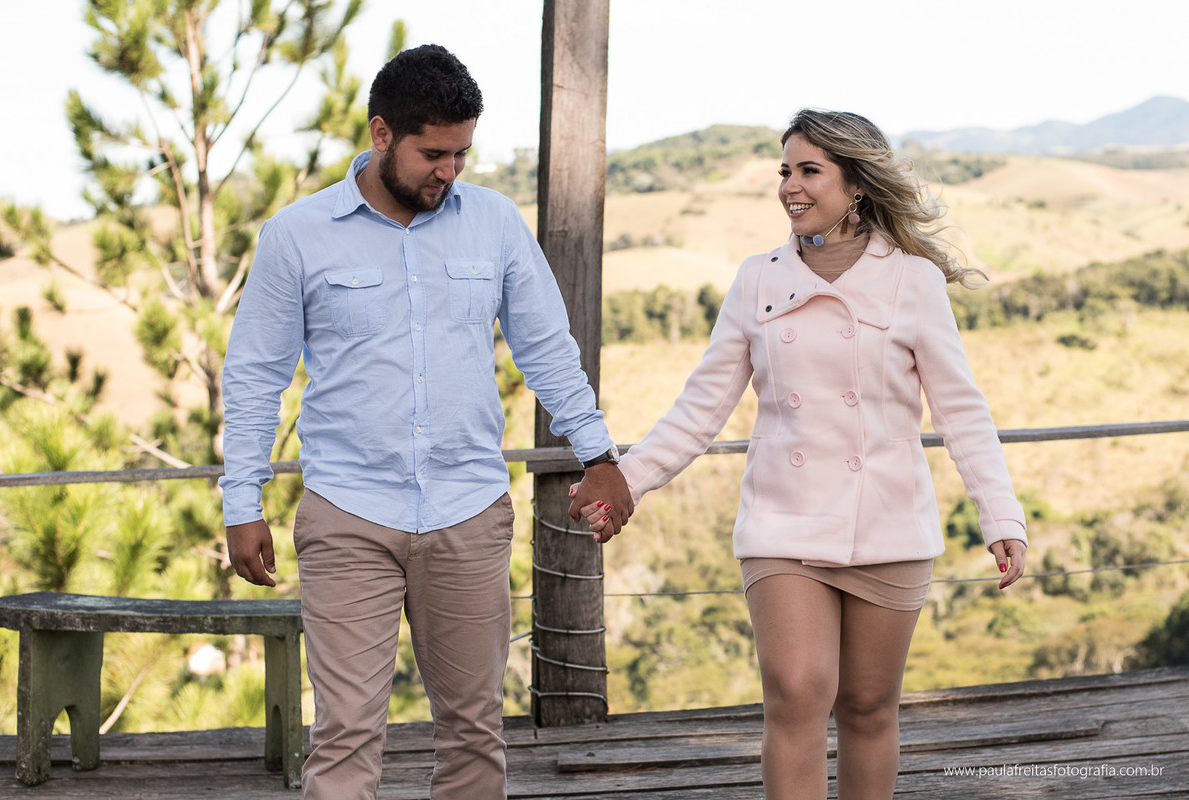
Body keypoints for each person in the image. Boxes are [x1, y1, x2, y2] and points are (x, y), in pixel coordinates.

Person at [220, 44, 632, 800]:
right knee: (345, 736)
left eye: (461, 153)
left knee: (475, 732)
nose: (449, 171)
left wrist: (598, 454)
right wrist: (241, 503)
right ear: (382, 134)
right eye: (433, 154)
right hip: (348, 513)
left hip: (467, 511)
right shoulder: (297, 235)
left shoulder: (494, 223)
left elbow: (546, 348)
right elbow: (254, 377)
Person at [578, 109, 1027, 799]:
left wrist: (1000, 516)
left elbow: (961, 411)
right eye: (785, 170)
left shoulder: (913, 280)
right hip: (782, 522)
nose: (789, 185)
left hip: (888, 524)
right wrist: (627, 481)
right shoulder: (756, 279)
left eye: (809, 170)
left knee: (868, 708)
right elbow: (701, 407)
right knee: (794, 692)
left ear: (857, 183)